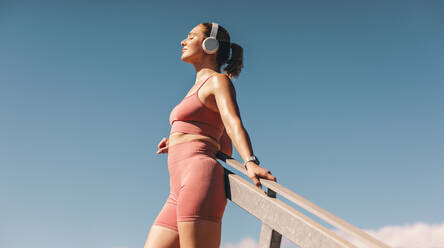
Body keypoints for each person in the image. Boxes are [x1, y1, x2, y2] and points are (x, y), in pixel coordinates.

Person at [144, 22, 277, 248]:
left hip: (198, 178)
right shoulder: (193, 89)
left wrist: (250, 162)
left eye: (191, 36)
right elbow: (223, 147)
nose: (183, 42)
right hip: (176, 190)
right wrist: (178, 139)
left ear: (210, 44)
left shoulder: (217, 81)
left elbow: (233, 122)